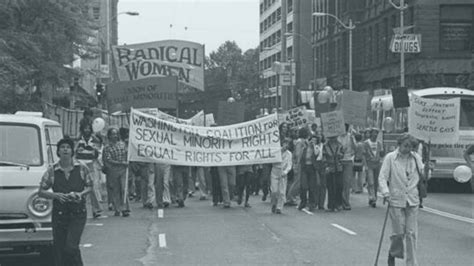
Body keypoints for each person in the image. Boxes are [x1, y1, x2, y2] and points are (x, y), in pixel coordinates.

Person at [38, 137, 92, 266]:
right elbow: (41, 191)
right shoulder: (52, 170)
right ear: (58, 152)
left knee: (71, 246)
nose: (65, 150)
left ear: (72, 151)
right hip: (60, 214)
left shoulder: (82, 167)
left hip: (77, 213)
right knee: (60, 248)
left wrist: (80, 194)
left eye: (68, 147)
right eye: (62, 147)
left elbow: (90, 186)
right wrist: (55, 195)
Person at [379, 133, 423, 266]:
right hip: (396, 199)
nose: (407, 149)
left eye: (410, 146)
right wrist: (386, 193)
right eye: (405, 146)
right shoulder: (391, 158)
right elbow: (382, 177)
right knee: (398, 233)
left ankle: (412, 263)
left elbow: (423, 174)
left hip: (412, 199)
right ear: (399, 144)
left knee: (411, 233)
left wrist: (428, 171)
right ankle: (393, 253)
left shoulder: (415, 158)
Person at [75, 122, 103, 218]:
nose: (86, 130)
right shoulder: (78, 141)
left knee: (92, 188)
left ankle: (96, 209)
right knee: (82, 188)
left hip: (91, 165)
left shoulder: (94, 141)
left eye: (88, 128)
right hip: (81, 166)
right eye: (85, 128)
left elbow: (97, 154)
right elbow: (75, 152)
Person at [102, 128, 130, 217]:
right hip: (113, 171)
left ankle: (125, 208)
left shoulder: (122, 145)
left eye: (116, 134)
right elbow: (108, 160)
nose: (115, 136)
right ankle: (117, 208)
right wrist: (120, 163)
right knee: (116, 190)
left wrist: (126, 162)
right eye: (113, 134)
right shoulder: (107, 147)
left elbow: (126, 154)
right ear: (109, 136)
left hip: (123, 169)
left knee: (124, 189)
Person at [270, 138, 293, 214]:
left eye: (288, 144)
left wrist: (286, 172)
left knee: (282, 191)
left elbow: (289, 165)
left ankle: (279, 207)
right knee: (274, 190)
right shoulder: (276, 151)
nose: (286, 145)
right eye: (285, 143)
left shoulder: (289, 154)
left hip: (283, 172)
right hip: (275, 171)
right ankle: (274, 203)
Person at [322, 136, 344, 212]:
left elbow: (342, 154)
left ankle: (338, 204)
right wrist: (326, 166)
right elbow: (323, 156)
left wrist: (340, 159)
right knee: (330, 187)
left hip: (338, 167)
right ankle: (331, 205)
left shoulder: (340, 145)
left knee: (339, 186)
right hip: (329, 167)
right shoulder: (325, 146)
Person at [364, 128, 384, 208]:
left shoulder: (379, 143)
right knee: (371, 182)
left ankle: (373, 198)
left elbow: (382, 154)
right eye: (374, 133)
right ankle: (372, 197)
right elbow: (363, 155)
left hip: (377, 164)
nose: (375, 135)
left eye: (377, 133)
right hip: (369, 164)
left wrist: (383, 150)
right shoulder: (366, 143)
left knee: (376, 182)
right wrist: (365, 165)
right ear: (371, 134)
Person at [338, 124, 356, 210]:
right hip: (339, 161)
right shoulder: (337, 137)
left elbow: (355, 148)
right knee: (339, 182)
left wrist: (352, 139)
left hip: (348, 161)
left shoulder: (350, 137)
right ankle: (340, 201)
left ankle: (346, 202)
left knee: (347, 182)